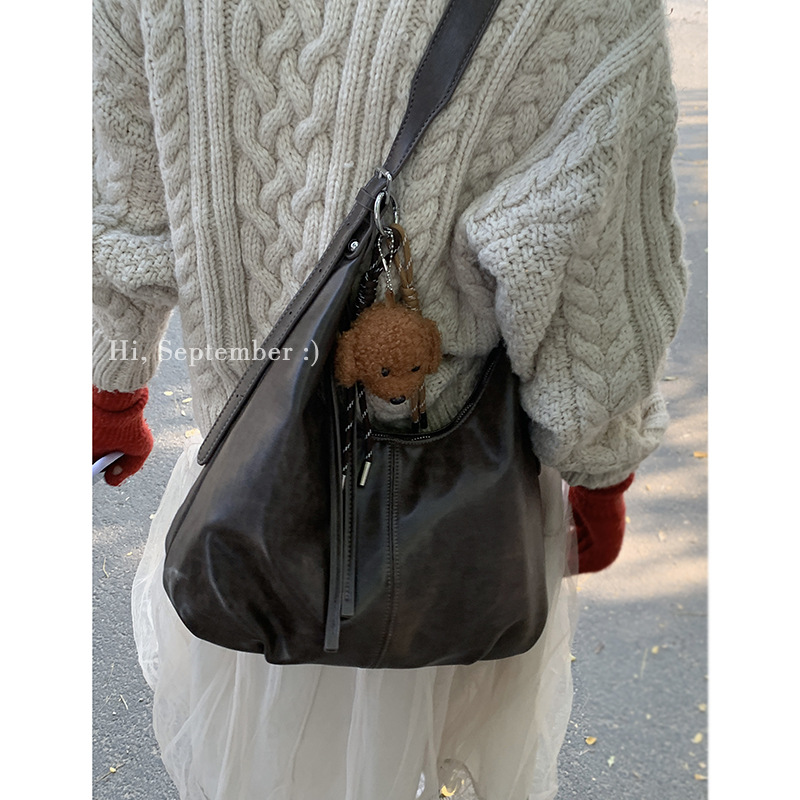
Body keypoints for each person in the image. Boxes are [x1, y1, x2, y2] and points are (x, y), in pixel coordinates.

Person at [92, 0, 687, 797]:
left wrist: (113, 385)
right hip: (445, 518)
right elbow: (589, 265)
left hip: (248, 485)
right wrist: (600, 468)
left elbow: (126, 187)